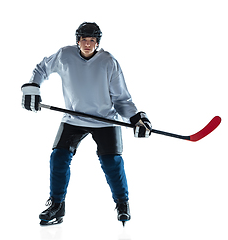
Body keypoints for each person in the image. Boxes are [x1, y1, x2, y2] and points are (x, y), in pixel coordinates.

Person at [21, 22, 152, 226]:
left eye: (92, 40)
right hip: (74, 117)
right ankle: (57, 205)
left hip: (105, 120)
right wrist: (32, 87)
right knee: (58, 157)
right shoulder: (64, 55)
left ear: (97, 42)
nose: (88, 44)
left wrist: (136, 118)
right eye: (84, 39)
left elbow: (122, 99)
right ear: (78, 40)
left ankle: (122, 204)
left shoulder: (109, 62)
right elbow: (42, 68)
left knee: (111, 163)